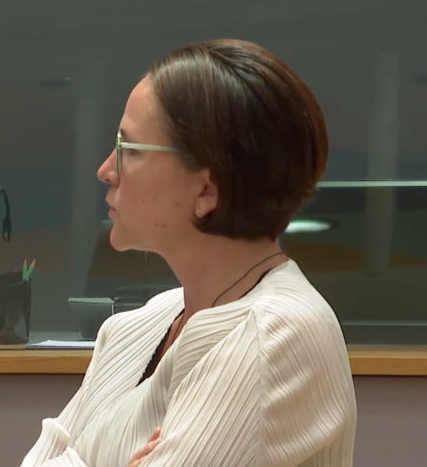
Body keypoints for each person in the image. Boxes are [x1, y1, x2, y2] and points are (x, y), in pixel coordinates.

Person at [21, 40, 356, 467]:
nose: (106, 170)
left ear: (206, 189)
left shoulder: (275, 335)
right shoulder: (138, 325)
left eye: (131, 151)